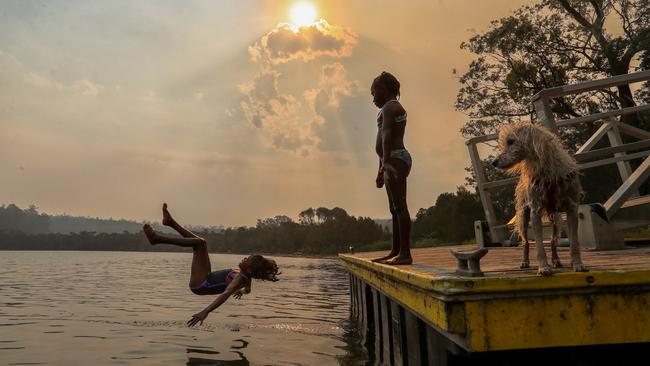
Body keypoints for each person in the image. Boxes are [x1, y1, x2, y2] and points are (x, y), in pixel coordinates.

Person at [142, 203, 279, 327]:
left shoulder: (240, 278)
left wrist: (205, 311)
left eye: (247, 259)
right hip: (206, 277)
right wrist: (242, 292)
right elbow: (248, 290)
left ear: (249, 268)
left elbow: (225, 294)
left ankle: (156, 239)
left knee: (200, 244)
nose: (244, 258)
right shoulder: (246, 277)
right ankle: (170, 222)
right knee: (201, 244)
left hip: (200, 284)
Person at [370, 71, 413, 265]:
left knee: (400, 206)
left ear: (383, 90)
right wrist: (380, 168)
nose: (373, 99)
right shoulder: (387, 108)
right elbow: (382, 146)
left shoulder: (390, 108)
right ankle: (396, 250)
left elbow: (387, 136)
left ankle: (405, 254)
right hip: (390, 160)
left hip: (395, 159)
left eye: (374, 94)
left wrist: (386, 163)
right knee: (393, 208)